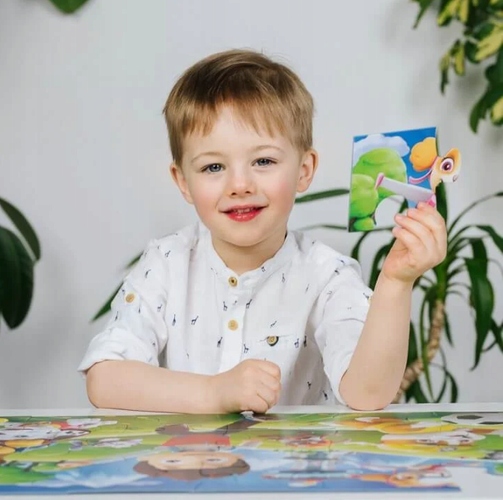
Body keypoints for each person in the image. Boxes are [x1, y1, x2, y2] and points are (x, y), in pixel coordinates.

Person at [79, 49, 447, 414]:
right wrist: (213, 393)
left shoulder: (328, 276)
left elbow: (367, 394)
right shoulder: (165, 263)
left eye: (263, 161)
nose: (240, 185)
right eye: (213, 167)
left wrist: (396, 283)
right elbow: (104, 379)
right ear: (183, 182)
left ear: (304, 170)